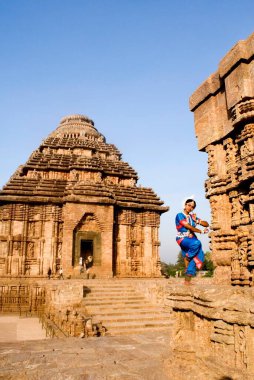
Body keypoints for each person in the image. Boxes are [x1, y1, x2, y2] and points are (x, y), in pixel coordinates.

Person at [175, 198, 209, 285]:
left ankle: (187, 280)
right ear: (185, 205)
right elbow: (189, 227)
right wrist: (201, 231)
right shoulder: (179, 215)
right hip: (182, 238)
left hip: (192, 238)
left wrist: (197, 220)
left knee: (200, 254)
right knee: (197, 243)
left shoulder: (192, 217)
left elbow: (206, 224)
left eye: (192, 207)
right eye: (189, 205)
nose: (190, 208)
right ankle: (188, 257)